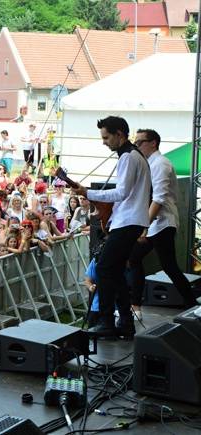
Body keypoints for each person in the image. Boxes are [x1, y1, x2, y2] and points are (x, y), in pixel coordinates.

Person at [71, 116, 151, 338]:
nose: (104, 142)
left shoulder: (128, 157)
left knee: (105, 268)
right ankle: (125, 322)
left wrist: (88, 192)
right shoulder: (135, 156)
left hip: (129, 222)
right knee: (114, 270)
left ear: (119, 134)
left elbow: (121, 192)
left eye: (106, 137)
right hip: (131, 221)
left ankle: (107, 320)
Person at [127, 128, 196, 315]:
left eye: (140, 142)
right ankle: (136, 305)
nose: (136, 145)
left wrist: (143, 226)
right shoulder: (149, 164)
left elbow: (158, 199)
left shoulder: (161, 164)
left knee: (169, 266)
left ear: (153, 143)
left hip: (163, 223)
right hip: (154, 223)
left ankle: (192, 305)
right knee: (135, 258)